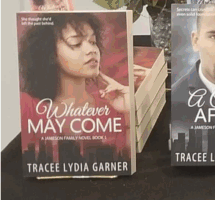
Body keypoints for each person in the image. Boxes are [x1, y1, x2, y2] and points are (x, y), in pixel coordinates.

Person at [18, 13, 131, 153]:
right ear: (49, 53)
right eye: (76, 43)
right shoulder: (27, 106)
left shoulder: (112, 106)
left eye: (93, 42)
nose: (92, 50)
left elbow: (125, 161)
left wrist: (129, 114)